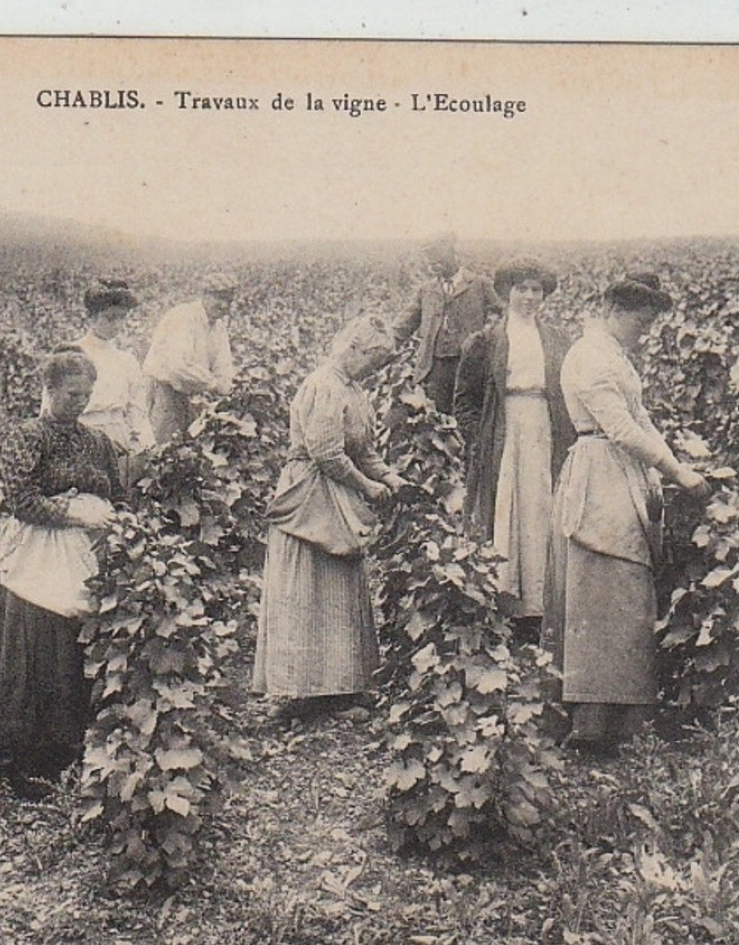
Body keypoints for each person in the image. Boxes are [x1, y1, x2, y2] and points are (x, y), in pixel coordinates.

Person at [545, 275, 711, 754]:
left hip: (622, 471)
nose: (646, 331)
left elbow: (641, 420)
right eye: (641, 321)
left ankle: (623, 715)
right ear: (614, 309)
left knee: (627, 589)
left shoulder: (615, 355)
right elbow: (619, 428)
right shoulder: (589, 355)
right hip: (600, 472)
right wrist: (678, 473)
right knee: (602, 588)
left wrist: (673, 464)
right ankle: (591, 718)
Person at [252, 315, 408, 720]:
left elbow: (363, 449)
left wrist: (390, 476)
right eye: (373, 359)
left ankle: (340, 687)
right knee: (308, 587)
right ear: (353, 347)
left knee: (339, 588)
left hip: (338, 490)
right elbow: (327, 452)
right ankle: (302, 691)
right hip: (311, 493)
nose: (376, 369)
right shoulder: (323, 384)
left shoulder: (353, 390)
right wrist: (368, 487)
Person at [0, 347, 123, 799]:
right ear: (48, 391)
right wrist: (73, 515)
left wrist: (107, 522)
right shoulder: (28, 437)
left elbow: (118, 495)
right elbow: (20, 499)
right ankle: (25, 757)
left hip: (85, 553)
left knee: (73, 646)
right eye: (70, 394)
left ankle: (69, 748)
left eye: (85, 395)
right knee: (36, 643)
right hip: (40, 555)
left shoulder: (97, 441)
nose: (78, 403)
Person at [453, 259, 575, 637]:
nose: (528, 297)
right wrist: (480, 439)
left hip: (545, 428)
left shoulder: (556, 339)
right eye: (521, 289)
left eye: (536, 290)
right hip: (504, 431)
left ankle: (540, 605)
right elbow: (465, 401)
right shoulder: (485, 341)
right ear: (506, 293)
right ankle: (504, 600)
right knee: (506, 507)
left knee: (542, 508)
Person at [392, 233, 500, 414]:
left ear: (451, 250)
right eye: (427, 256)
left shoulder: (480, 285)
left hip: (469, 369)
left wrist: (487, 336)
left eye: (436, 253)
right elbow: (402, 327)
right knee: (436, 425)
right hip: (434, 371)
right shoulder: (425, 291)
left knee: (468, 418)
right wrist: (378, 345)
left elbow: (501, 315)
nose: (431, 261)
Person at [142, 272, 239, 443]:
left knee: (188, 447)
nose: (224, 305)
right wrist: (214, 384)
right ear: (205, 295)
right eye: (219, 298)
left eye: (229, 301)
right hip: (163, 390)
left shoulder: (218, 327)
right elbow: (179, 366)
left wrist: (227, 387)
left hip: (190, 393)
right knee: (159, 447)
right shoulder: (183, 317)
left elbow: (223, 365)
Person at [72, 279, 156, 457]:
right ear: (92, 317)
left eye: (121, 317)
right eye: (110, 318)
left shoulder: (127, 361)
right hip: (81, 438)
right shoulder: (73, 355)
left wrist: (144, 447)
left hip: (119, 439)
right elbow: (51, 409)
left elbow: (137, 410)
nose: (117, 324)